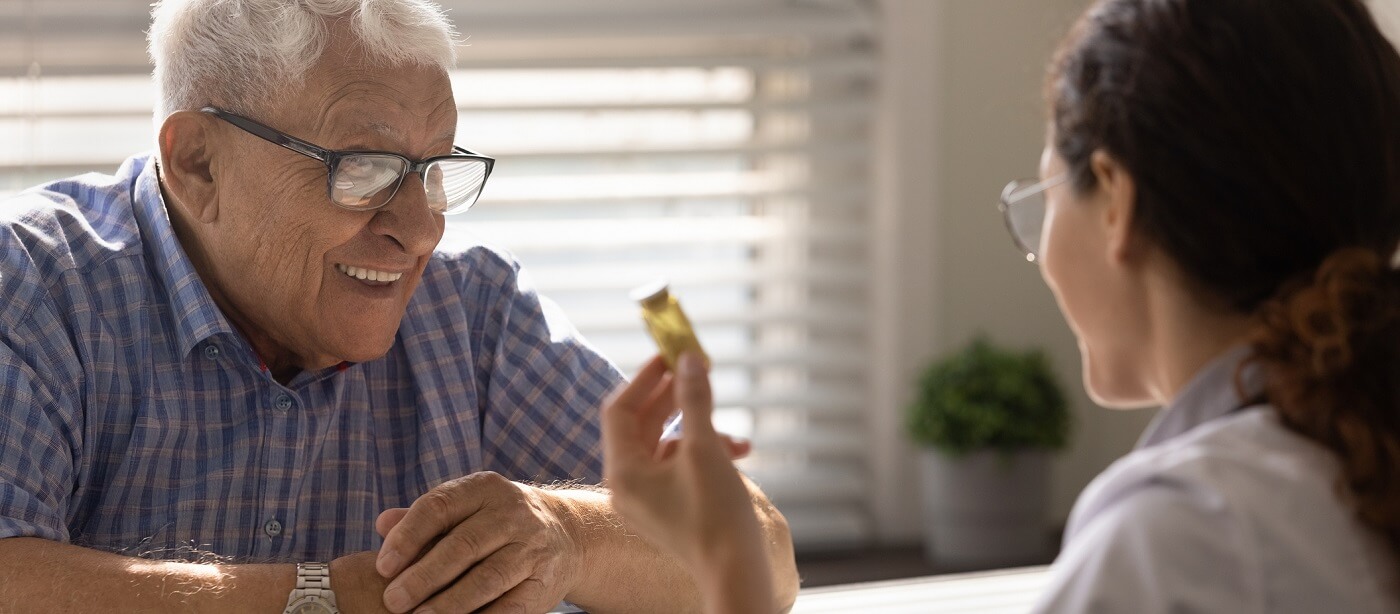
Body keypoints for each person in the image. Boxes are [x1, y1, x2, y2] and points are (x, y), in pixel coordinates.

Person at [0, 0, 800, 612]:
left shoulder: (471, 311)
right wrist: (332, 596)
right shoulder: (34, 285)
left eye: (434, 168)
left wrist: (563, 536)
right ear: (200, 164)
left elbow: (760, 555)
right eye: (363, 166)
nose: (420, 231)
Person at [602, 0, 1400, 611]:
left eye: (1046, 195)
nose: (1042, 250)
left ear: (1116, 200)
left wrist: (727, 572)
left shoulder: (1177, 541)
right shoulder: (1340, 465)